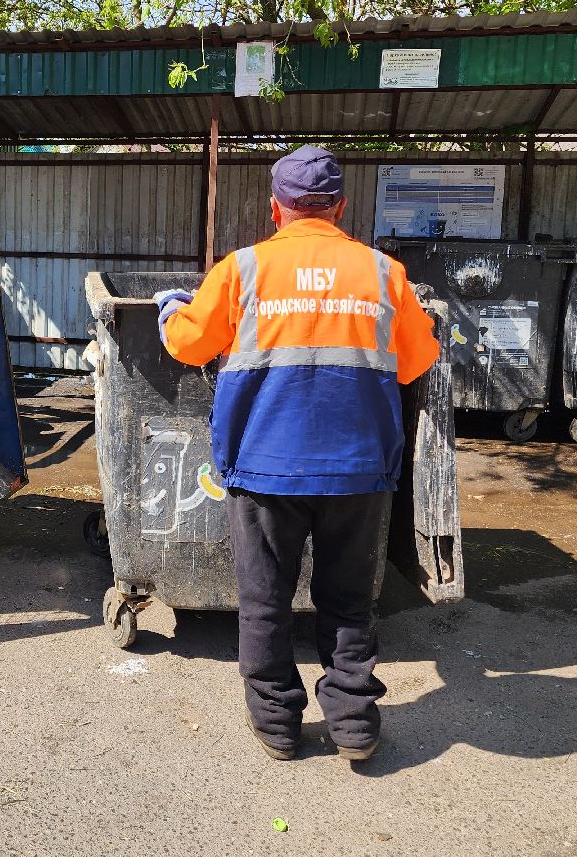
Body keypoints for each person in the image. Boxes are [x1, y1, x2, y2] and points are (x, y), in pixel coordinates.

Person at [155, 145, 439, 762]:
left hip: (265, 467)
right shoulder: (383, 273)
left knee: (265, 600)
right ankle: (355, 725)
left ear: (276, 208)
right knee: (348, 601)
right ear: (339, 206)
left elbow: (187, 345)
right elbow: (417, 361)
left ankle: (279, 725)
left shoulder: (243, 269)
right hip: (359, 470)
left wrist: (171, 311)